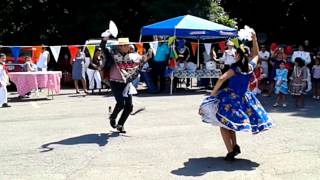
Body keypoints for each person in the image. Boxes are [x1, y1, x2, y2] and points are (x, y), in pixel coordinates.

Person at [202, 32, 272, 161]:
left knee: (223, 125)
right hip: (244, 97)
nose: (234, 55)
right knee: (230, 124)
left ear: (239, 55)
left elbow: (221, 78)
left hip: (230, 99)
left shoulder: (235, 68)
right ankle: (234, 146)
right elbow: (256, 54)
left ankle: (230, 152)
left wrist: (212, 94)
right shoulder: (250, 67)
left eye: (235, 54)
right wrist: (255, 39)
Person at [100, 37, 141, 133]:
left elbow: (138, 63)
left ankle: (120, 124)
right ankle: (113, 117)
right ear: (120, 46)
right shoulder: (112, 55)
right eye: (126, 45)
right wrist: (104, 39)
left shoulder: (130, 57)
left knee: (129, 106)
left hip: (126, 83)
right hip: (115, 82)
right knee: (121, 103)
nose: (128, 47)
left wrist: (147, 56)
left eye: (128, 45)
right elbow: (103, 47)